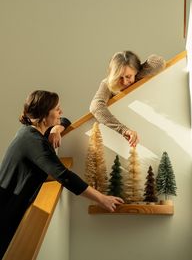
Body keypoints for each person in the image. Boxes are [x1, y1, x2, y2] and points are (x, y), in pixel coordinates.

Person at [0, 90, 123, 259]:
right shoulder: (33, 141)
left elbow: (65, 120)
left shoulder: (33, 131)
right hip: (6, 212)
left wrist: (56, 128)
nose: (61, 112)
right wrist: (102, 198)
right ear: (44, 116)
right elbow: (64, 176)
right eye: (57, 109)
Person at [90, 50, 166, 147]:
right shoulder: (107, 84)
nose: (125, 82)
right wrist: (123, 130)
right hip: (117, 139)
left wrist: (137, 75)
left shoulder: (138, 75)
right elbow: (95, 107)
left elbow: (158, 63)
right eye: (119, 77)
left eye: (128, 76)